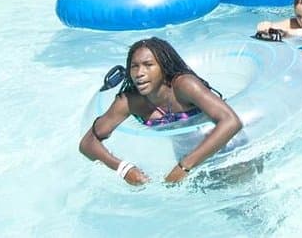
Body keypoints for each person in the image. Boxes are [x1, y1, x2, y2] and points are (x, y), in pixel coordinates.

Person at [78, 37, 242, 185]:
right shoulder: (129, 101)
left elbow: (231, 122)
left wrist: (184, 166)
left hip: (228, 154)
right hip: (188, 163)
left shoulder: (183, 86)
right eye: (134, 67)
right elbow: (88, 144)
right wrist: (124, 169)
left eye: (148, 65)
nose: (139, 73)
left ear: (163, 68)